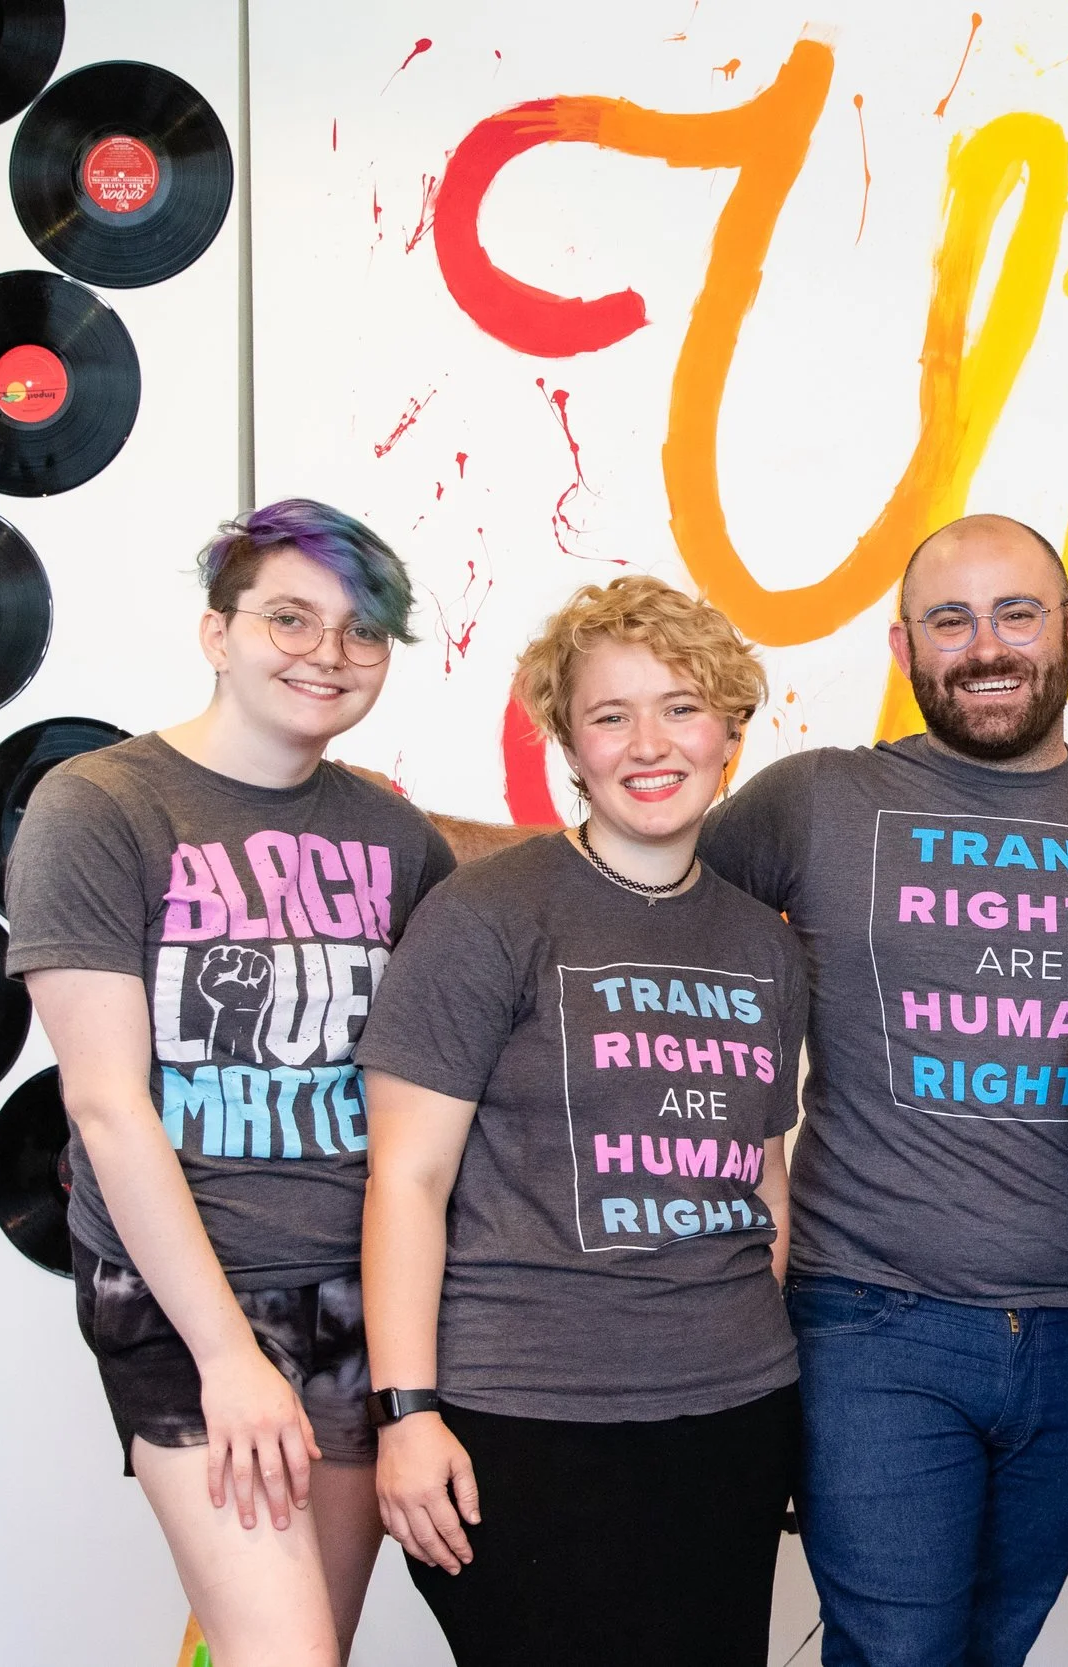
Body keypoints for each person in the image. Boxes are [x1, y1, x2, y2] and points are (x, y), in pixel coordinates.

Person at [695, 514, 1068, 1666]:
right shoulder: (815, 799)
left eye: (1015, 613)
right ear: (903, 647)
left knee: (991, 1648)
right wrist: (425, 861)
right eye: (950, 619)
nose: (985, 646)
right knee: (898, 1652)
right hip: (871, 1321)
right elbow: (632, 894)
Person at [7, 501, 453, 1667]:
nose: (329, 653)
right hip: (185, 1297)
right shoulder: (100, 806)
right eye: (290, 618)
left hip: (357, 1293)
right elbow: (107, 1108)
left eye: (363, 631)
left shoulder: (396, 837)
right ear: (217, 632)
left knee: (304, 1645)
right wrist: (226, 1356)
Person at [357, 576, 807, 1666]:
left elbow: (762, 1174)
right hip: (523, 1418)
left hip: (734, 1411)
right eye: (611, 714)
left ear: (731, 730)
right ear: (568, 741)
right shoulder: (487, 915)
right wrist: (406, 1412)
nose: (649, 744)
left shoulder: (765, 942)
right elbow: (406, 1180)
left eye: (681, 707)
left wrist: (753, 1357)